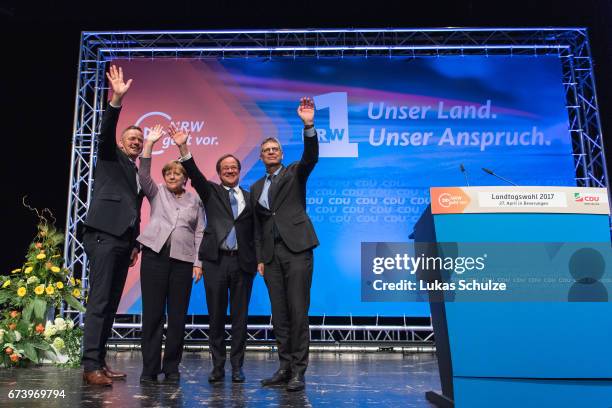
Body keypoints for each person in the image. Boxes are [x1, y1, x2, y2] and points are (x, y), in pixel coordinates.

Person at [169, 125, 256, 383]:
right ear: (219, 173)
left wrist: (260, 259)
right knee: (216, 317)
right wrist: (183, 147)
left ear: (239, 172)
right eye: (225, 168)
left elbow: (257, 232)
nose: (230, 170)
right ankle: (218, 367)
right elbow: (193, 173)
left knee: (240, 318)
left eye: (234, 167)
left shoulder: (250, 198)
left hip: (243, 263)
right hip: (215, 262)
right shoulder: (211, 192)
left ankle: (237, 367)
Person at [251, 97, 319, 392]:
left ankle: (299, 372)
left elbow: (311, 158)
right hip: (272, 255)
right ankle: (284, 366)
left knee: (297, 310)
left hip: (297, 250)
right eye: (266, 150)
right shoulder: (255, 187)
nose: (270, 152)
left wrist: (308, 125)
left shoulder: (294, 172)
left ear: (281, 153)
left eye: (274, 149)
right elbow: (258, 226)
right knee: (279, 314)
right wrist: (260, 258)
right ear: (261, 156)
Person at [82, 65, 144, 386]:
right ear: (121, 143)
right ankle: (90, 365)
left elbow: (135, 210)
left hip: (123, 242)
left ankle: (100, 360)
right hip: (104, 236)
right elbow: (106, 132)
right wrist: (116, 100)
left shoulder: (136, 173)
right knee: (100, 301)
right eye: (131, 138)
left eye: (140, 139)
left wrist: (134, 244)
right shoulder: (109, 156)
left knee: (111, 304)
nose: (136, 142)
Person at [136, 125, 204, 384]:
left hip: (183, 262)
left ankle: (172, 368)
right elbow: (143, 176)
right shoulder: (157, 193)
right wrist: (150, 144)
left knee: (177, 317)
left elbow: (199, 232)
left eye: (178, 173)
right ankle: (149, 369)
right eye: (169, 173)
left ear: (185, 178)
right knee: (152, 315)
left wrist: (198, 263)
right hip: (154, 258)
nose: (173, 176)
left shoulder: (195, 200)